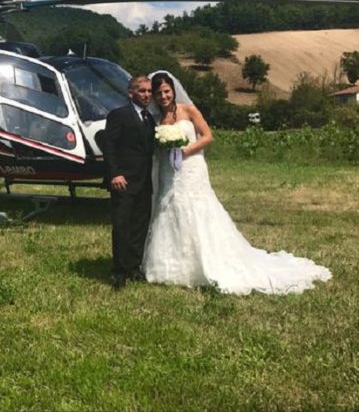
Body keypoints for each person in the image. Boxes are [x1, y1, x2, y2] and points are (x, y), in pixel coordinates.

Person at [142, 71, 332, 295]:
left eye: (166, 91)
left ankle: (206, 262)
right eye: (159, 93)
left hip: (191, 167)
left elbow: (208, 136)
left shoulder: (188, 110)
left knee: (195, 207)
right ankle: (171, 265)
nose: (163, 96)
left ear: (173, 91)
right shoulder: (156, 118)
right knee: (169, 209)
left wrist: (186, 151)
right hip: (168, 170)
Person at [102, 75, 157, 291]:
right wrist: (114, 174)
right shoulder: (119, 115)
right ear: (130, 93)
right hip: (123, 181)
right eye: (142, 91)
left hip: (144, 182)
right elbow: (109, 145)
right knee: (122, 225)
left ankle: (134, 266)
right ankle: (119, 271)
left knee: (139, 226)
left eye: (149, 91)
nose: (146, 95)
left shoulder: (150, 119)